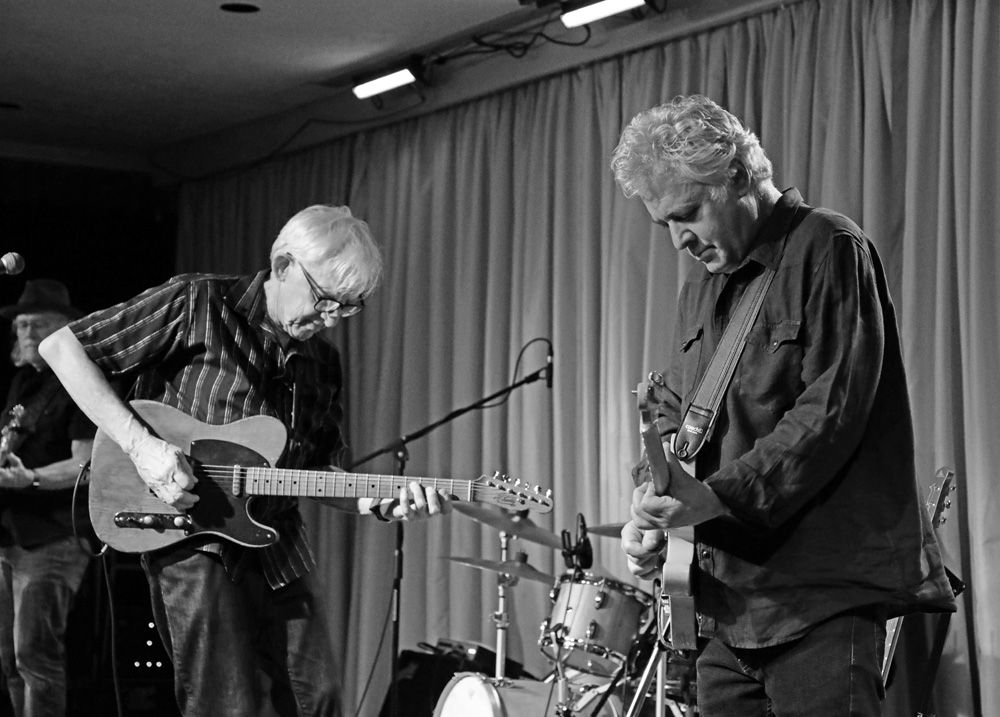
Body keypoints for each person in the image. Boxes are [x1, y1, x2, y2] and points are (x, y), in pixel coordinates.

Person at [611, 96, 955, 716]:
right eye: (665, 225)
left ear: (737, 176)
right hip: (724, 608)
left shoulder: (829, 245)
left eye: (686, 214)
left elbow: (831, 411)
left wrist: (716, 498)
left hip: (820, 598)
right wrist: (654, 499)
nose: (679, 240)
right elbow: (673, 413)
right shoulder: (700, 290)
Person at [37, 205, 452, 717]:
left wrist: (377, 502)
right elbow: (61, 348)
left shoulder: (322, 361)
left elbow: (319, 470)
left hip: (279, 544)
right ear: (283, 265)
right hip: (193, 538)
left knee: (320, 699)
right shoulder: (198, 301)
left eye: (347, 309)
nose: (330, 320)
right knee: (224, 705)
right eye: (325, 301)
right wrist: (142, 447)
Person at [0, 279, 96, 717]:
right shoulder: (24, 383)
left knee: (35, 659)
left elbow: (86, 464)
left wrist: (31, 479)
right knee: (9, 660)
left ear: (64, 331)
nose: (26, 333)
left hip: (55, 538)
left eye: (37, 324)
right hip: (10, 533)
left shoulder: (81, 381)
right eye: (21, 325)